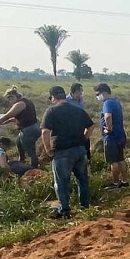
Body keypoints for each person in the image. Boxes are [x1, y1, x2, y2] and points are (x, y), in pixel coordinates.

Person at [41, 86, 94, 219]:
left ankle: (65, 210)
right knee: (82, 179)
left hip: (62, 152)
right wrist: (84, 138)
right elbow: (91, 126)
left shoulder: (51, 111)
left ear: (53, 97)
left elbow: (45, 132)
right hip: (80, 150)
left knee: (61, 182)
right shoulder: (78, 110)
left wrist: (48, 149)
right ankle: (85, 206)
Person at [0, 86, 41, 169]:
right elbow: (15, 118)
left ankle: (34, 168)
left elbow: (7, 115)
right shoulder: (26, 101)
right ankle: (22, 160)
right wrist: (3, 123)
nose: (9, 101)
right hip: (32, 127)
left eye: (10, 98)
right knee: (19, 143)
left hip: (29, 130)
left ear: (15, 96)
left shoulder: (20, 104)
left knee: (30, 151)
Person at [94, 83, 128, 189]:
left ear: (104, 92)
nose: (97, 96)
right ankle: (125, 181)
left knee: (114, 161)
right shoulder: (116, 102)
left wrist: (108, 129)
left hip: (111, 137)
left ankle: (115, 183)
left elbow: (108, 116)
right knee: (121, 159)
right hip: (120, 135)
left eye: (98, 94)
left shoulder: (107, 103)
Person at [65, 82, 91, 159]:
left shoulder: (80, 100)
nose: (82, 93)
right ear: (76, 91)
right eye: (81, 91)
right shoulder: (66, 100)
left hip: (81, 129)